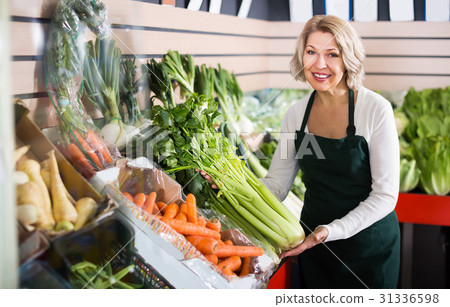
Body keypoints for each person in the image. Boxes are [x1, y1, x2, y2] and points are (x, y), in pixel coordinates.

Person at [259, 15, 401, 289]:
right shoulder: (296, 114)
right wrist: (232, 188)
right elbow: (277, 184)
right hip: (315, 248)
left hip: (368, 248)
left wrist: (330, 230)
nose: (319, 64)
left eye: (332, 54)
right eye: (311, 52)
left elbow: (385, 195)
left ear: (348, 58)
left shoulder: (375, 109)